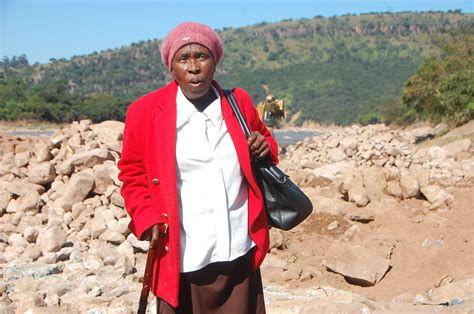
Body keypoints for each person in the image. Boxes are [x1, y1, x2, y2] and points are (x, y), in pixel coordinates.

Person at [117, 22, 279, 313]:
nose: (194, 67)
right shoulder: (145, 112)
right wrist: (147, 216)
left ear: (214, 62)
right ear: (172, 68)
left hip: (237, 249)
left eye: (202, 56)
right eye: (184, 59)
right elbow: (132, 172)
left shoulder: (238, 102)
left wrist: (264, 147)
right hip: (182, 255)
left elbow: (265, 141)